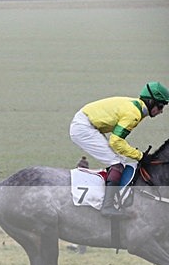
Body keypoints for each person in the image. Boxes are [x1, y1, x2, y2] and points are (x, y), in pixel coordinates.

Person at [69, 81, 168, 217]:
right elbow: (115, 141)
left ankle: (106, 190)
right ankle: (107, 206)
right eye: (160, 106)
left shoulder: (137, 108)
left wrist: (136, 155)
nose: (161, 111)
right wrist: (140, 156)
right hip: (84, 127)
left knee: (119, 159)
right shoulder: (134, 114)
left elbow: (116, 141)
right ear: (151, 102)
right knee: (117, 164)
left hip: (87, 124)